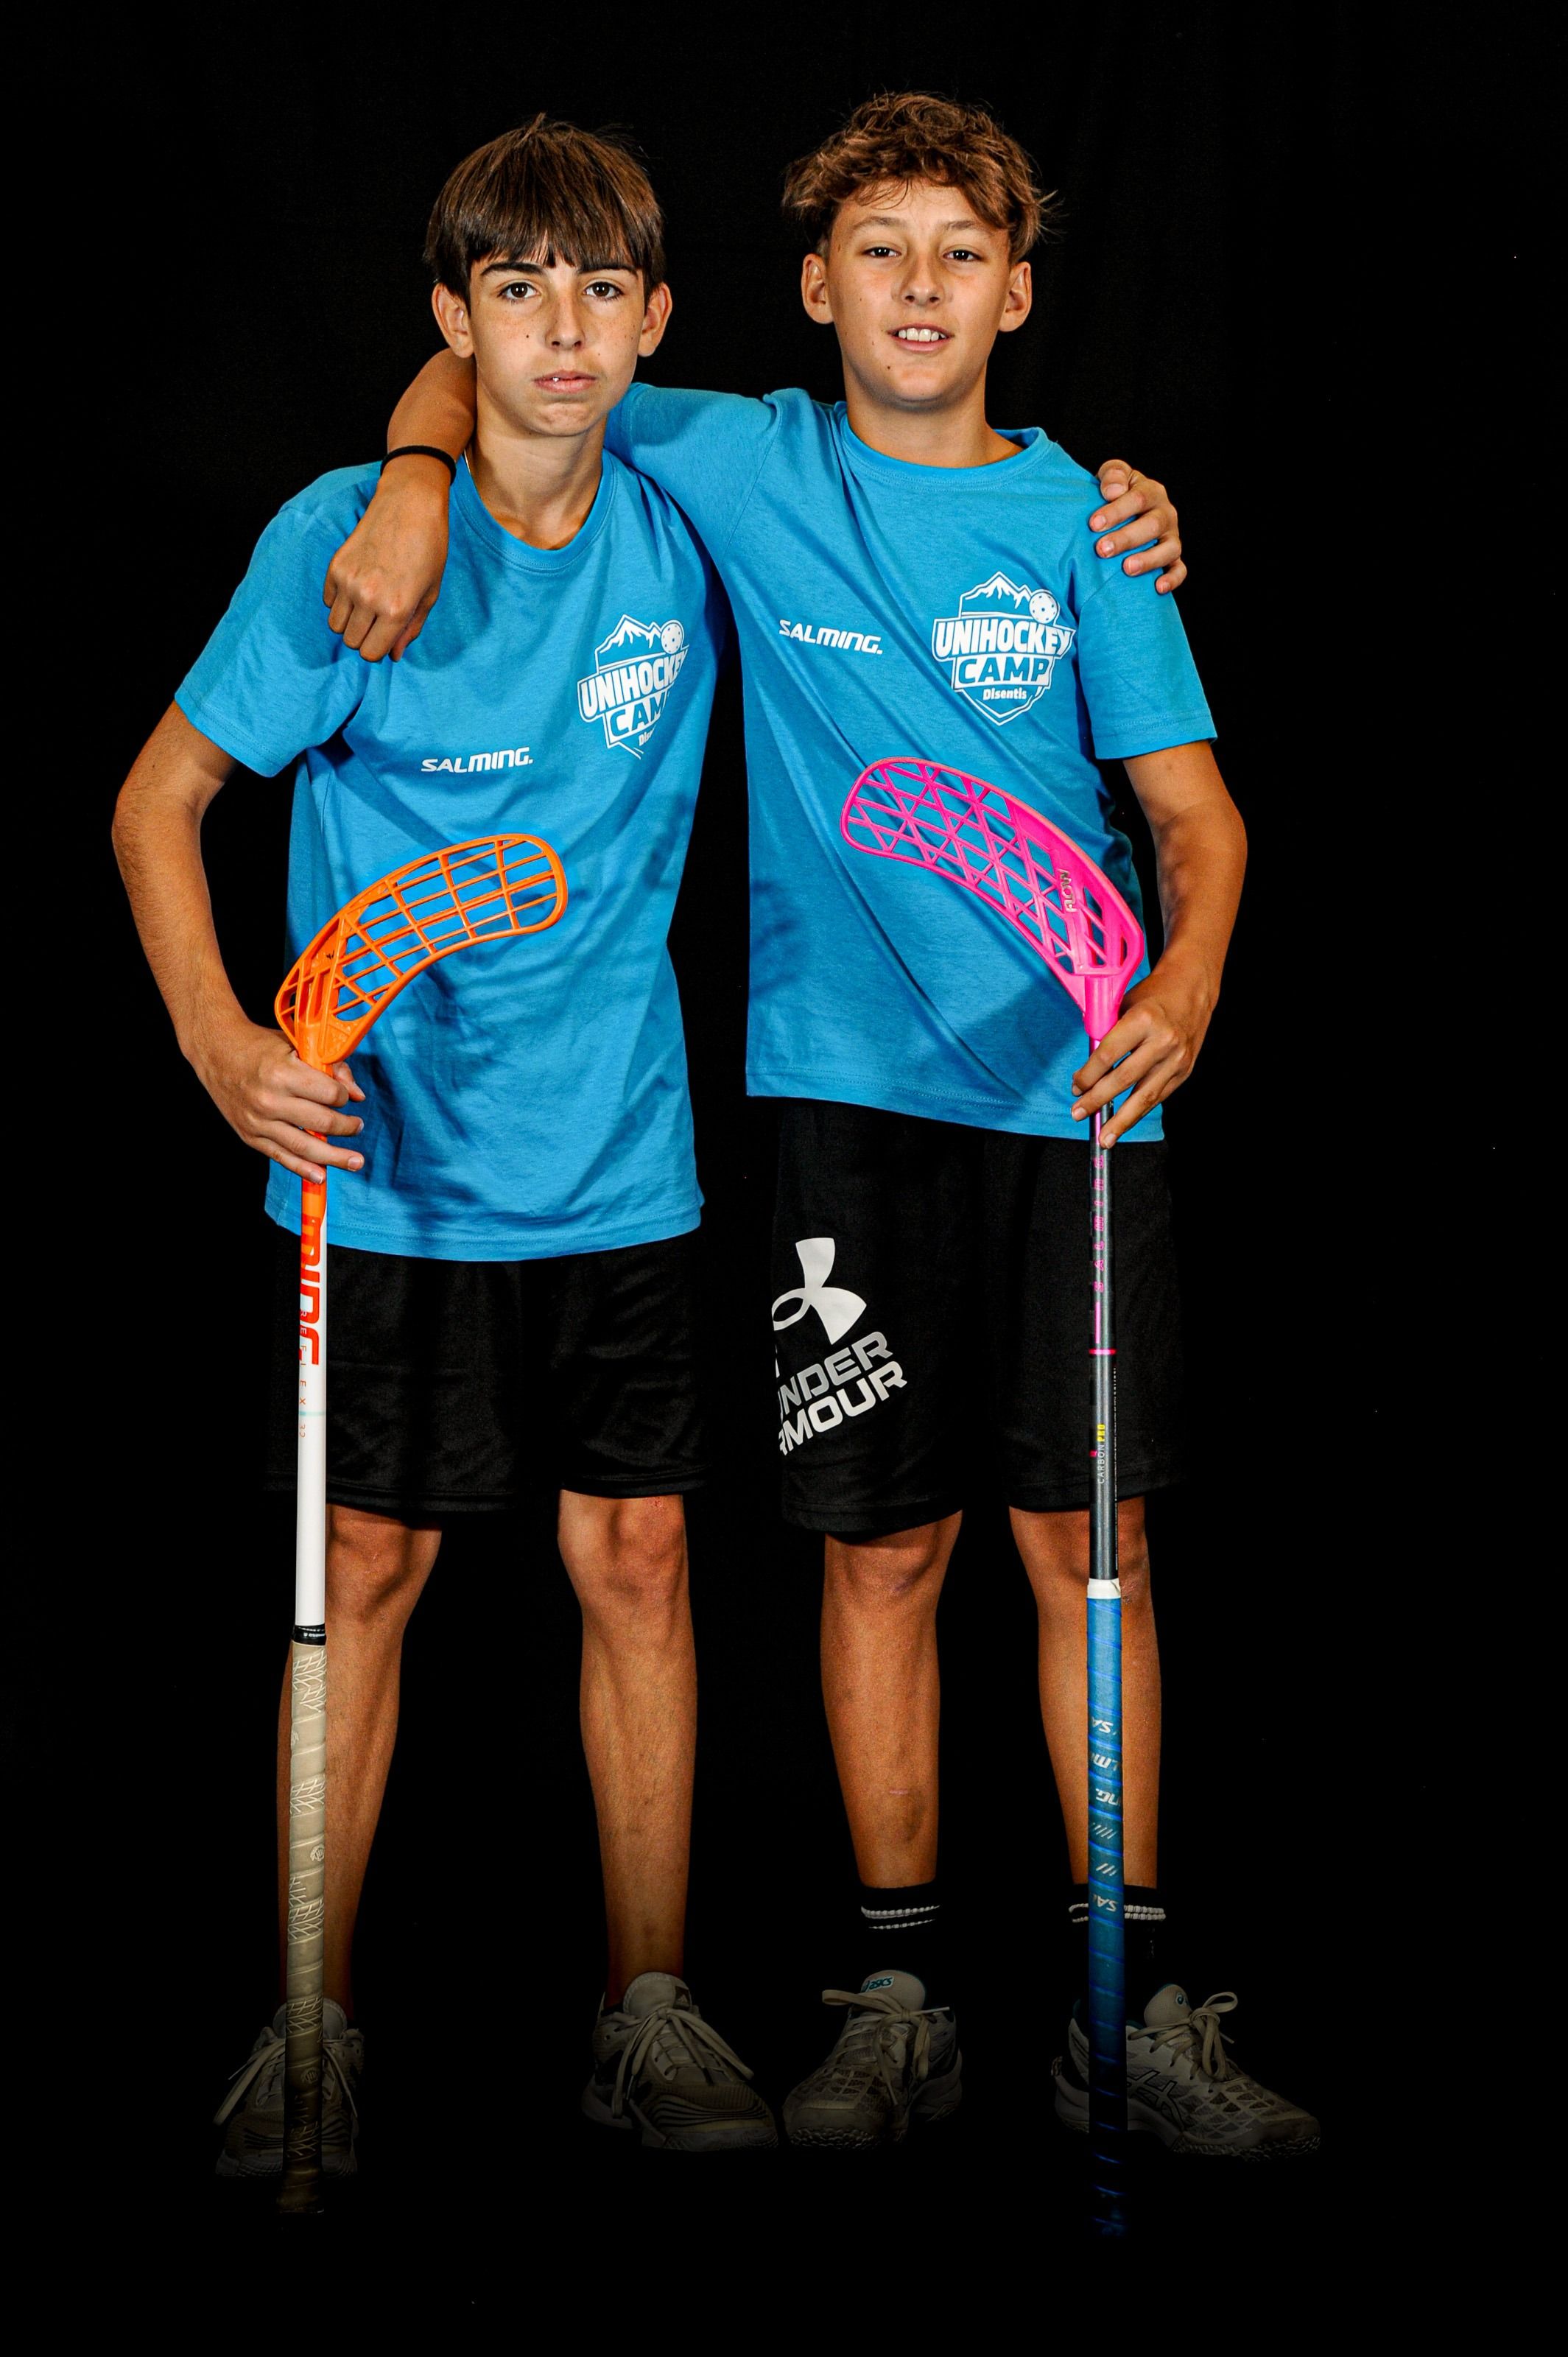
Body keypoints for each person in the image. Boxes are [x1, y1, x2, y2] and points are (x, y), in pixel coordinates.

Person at [335, 90, 1320, 2160]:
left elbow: (1197, 820)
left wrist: (1191, 982)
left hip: (1073, 1099)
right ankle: (893, 2002)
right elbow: (499, 363)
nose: (919, 288)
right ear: (810, 289)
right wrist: (415, 487)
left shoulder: (1088, 527)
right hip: (841, 1110)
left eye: (960, 253)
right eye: (879, 251)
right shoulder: (744, 457)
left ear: (1019, 295)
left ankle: (1123, 2009)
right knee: (884, 1551)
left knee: (1095, 1549)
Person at [112, 117, 783, 2166]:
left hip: (618, 1160)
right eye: (515, 292)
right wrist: (221, 1045)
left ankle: (647, 2013)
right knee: (368, 1571)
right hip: (383, 1163)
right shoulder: (347, 542)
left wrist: (1117, 501)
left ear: (654, 323)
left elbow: (914, 462)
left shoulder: (691, 509)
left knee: (639, 1562)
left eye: (602, 292)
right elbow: (157, 806)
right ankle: (310, 2030)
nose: (561, 331)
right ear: (451, 316)